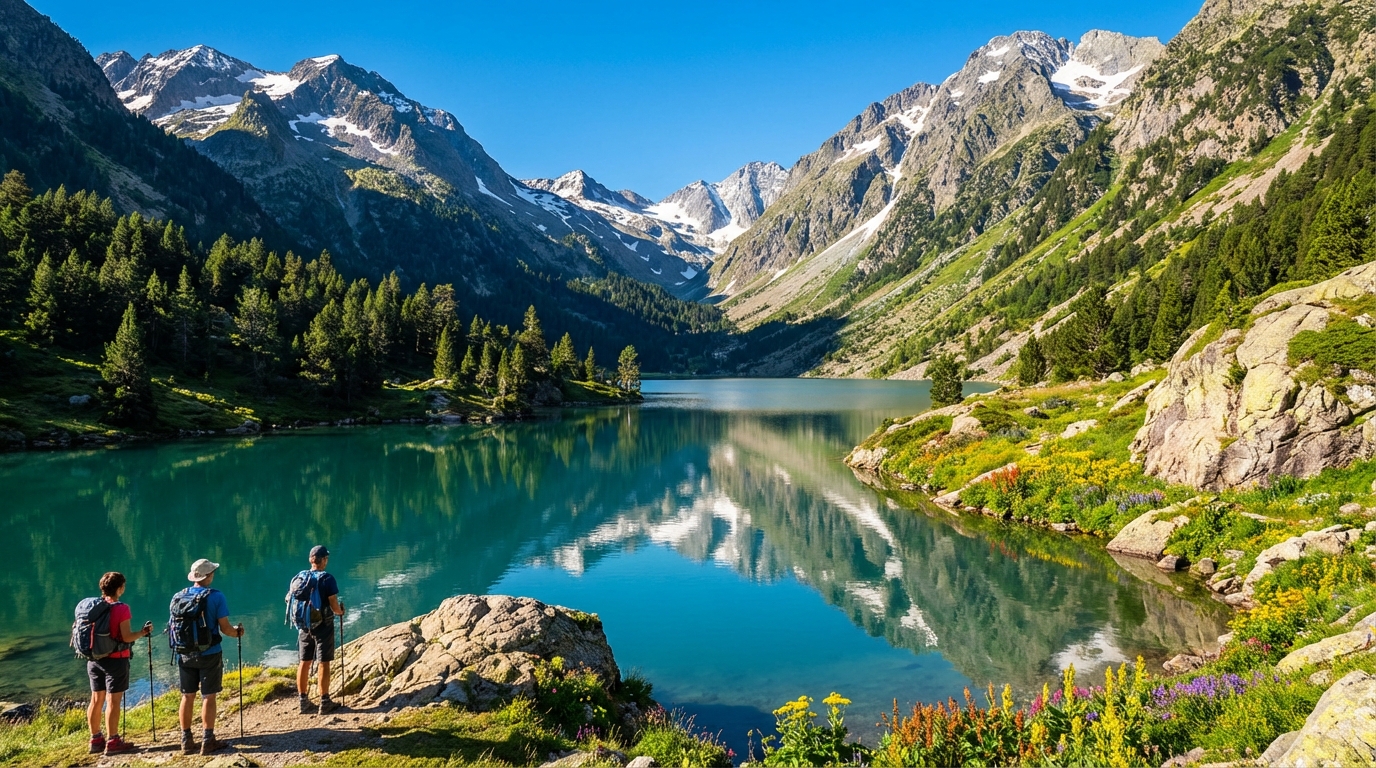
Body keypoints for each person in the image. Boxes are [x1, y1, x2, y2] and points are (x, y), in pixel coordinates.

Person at [175, 559, 244, 756]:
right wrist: (237, 632)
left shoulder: (179, 596)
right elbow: (225, 628)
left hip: (185, 653)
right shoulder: (216, 597)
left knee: (187, 695)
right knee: (208, 696)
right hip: (209, 653)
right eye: (212, 571)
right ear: (209, 576)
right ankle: (208, 740)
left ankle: (186, 740)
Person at [87, 572, 153, 756]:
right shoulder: (121, 608)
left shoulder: (93, 607)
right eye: (123, 586)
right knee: (113, 701)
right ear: (119, 588)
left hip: (94, 659)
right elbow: (126, 637)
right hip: (116, 660)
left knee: (96, 699)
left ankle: (95, 739)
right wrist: (142, 632)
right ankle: (113, 740)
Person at [295, 545, 345, 714]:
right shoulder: (327, 579)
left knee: (304, 661)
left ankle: (303, 700)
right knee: (323, 661)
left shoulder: (300, 577)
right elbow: (333, 605)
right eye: (326, 559)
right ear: (323, 560)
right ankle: (325, 701)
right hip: (323, 625)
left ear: (311, 560)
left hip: (304, 626)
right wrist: (341, 611)